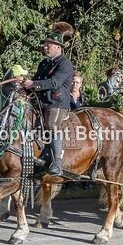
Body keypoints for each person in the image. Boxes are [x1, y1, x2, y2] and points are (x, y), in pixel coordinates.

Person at [20, 22, 75, 176]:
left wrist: (34, 84)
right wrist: (23, 85)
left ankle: (57, 161)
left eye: (48, 45)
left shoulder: (65, 63)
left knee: (51, 125)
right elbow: (36, 81)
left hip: (56, 103)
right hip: (40, 102)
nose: (45, 47)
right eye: (45, 45)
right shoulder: (43, 63)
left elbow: (54, 82)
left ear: (58, 47)